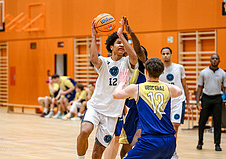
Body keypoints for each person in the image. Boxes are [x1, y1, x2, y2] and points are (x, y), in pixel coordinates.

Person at [76, 18, 138, 159]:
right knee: (85, 130)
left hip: (112, 114)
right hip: (96, 107)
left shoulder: (128, 64)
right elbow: (93, 58)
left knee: (98, 152)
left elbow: (134, 56)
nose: (122, 45)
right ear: (111, 47)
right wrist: (93, 35)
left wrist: (122, 35)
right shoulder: (104, 62)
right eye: (118, 43)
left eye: (124, 43)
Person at [113, 58, 182, 159]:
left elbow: (116, 95)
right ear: (161, 72)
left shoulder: (137, 88)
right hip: (170, 141)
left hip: (150, 141)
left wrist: (122, 82)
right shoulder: (168, 88)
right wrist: (160, 83)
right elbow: (179, 91)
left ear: (146, 72)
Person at [118, 16, 148, 158]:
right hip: (130, 111)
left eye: (138, 52)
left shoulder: (143, 67)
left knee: (136, 141)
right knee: (125, 147)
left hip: (143, 110)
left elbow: (138, 51)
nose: (134, 52)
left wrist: (131, 33)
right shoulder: (126, 66)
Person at [159, 47, 191, 158]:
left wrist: (188, 102)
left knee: (174, 127)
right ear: (161, 55)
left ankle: (172, 151)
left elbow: (185, 85)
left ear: (171, 55)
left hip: (178, 101)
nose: (165, 55)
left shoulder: (179, 67)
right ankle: (164, 149)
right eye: (163, 53)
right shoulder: (159, 69)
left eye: (167, 53)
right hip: (163, 102)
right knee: (163, 128)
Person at [196, 54, 226, 151]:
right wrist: (197, 102)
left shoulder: (223, 73)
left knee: (217, 123)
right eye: (213, 58)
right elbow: (200, 87)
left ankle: (217, 144)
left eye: (216, 59)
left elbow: (225, 88)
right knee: (202, 122)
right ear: (210, 60)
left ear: (219, 61)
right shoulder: (204, 72)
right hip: (206, 99)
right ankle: (200, 142)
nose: (214, 60)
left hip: (217, 99)